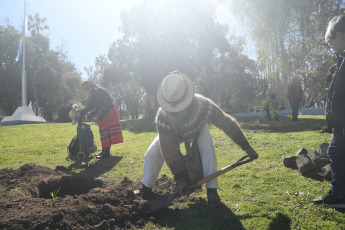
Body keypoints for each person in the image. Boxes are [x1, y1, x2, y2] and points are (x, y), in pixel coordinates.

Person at [136, 71, 259, 207]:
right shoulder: (163, 116)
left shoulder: (203, 105)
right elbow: (168, 149)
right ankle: (146, 189)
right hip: (173, 135)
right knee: (152, 153)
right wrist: (180, 178)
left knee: (207, 146)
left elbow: (226, 122)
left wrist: (246, 146)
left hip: (197, 129)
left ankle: (212, 190)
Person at [313, 15, 345, 208]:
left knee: (336, 153)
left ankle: (339, 194)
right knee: (335, 152)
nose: (331, 45)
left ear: (340, 35)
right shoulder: (341, 59)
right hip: (339, 124)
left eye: (331, 41)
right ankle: (338, 192)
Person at [78, 80, 123, 159]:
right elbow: (98, 105)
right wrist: (92, 113)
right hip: (105, 112)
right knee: (104, 132)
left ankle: (106, 153)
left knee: (106, 132)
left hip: (109, 112)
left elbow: (91, 104)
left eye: (86, 89)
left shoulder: (97, 91)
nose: (86, 92)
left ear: (89, 87)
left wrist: (81, 112)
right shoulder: (96, 91)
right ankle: (104, 151)